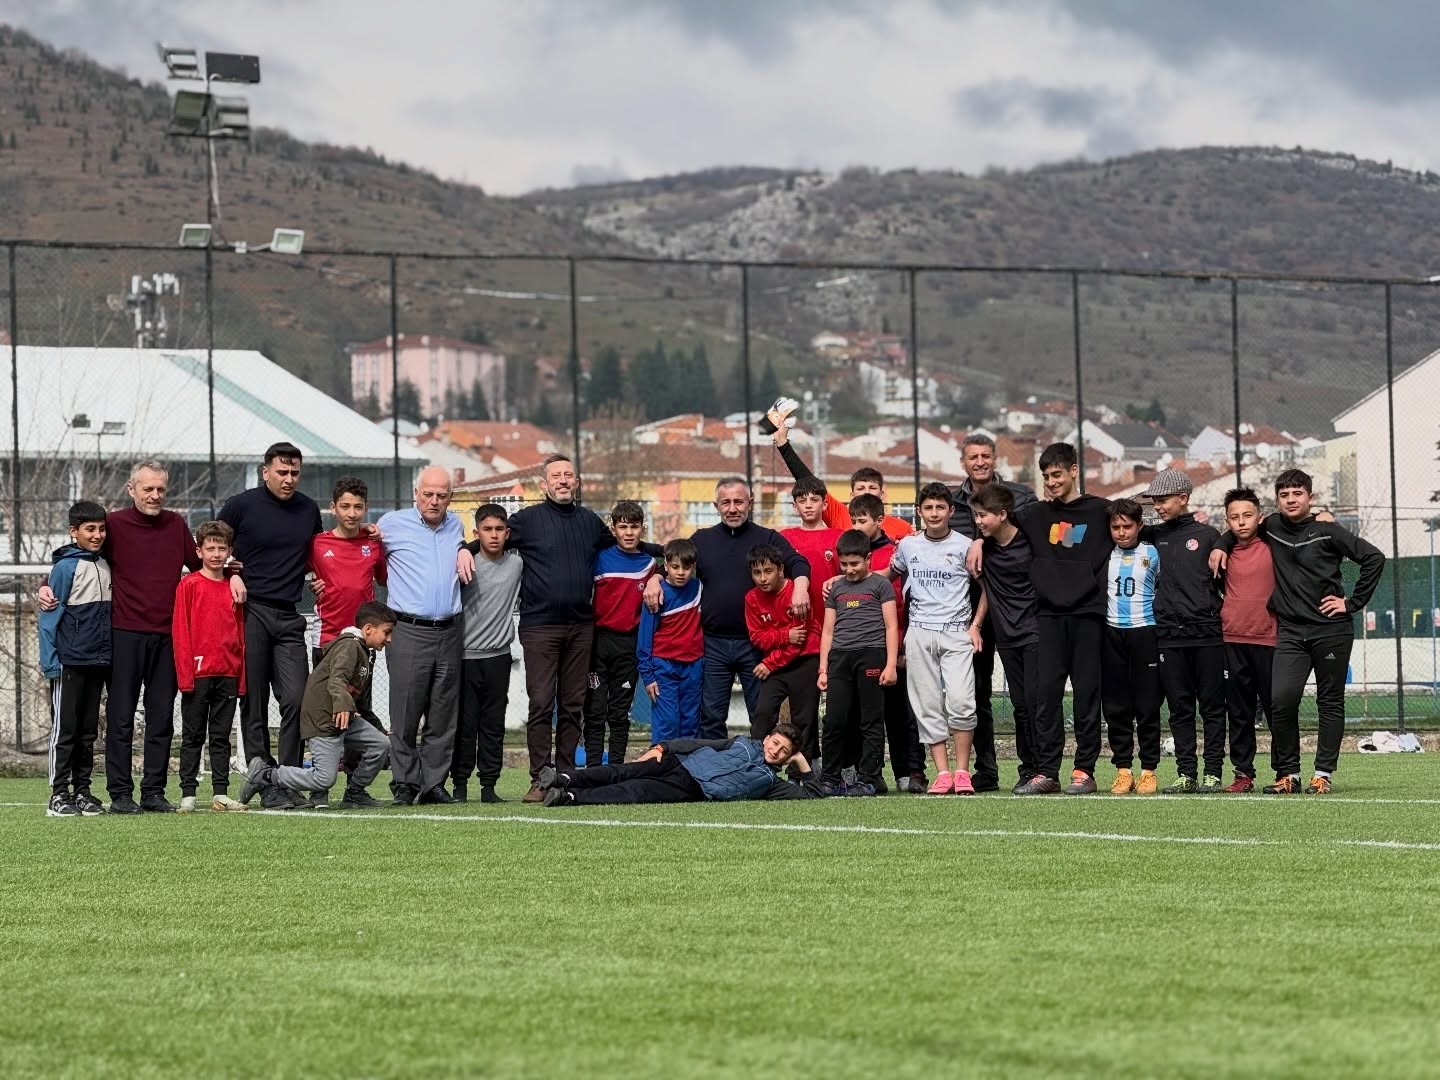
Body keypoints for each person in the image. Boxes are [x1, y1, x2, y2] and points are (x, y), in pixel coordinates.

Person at [38, 462, 202, 813]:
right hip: (123, 635)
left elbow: (203, 568)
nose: (155, 495)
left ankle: (154, 792)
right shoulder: (113, 525)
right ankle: (121, 794)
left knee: (160, 718)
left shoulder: (175, 525)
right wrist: (44, 587)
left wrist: (233, 575)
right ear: (132, 489)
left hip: (166, 636)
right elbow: (78, 557)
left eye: (160, 489)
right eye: (148, 489)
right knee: (121, 718)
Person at [1213, 469, 1385, 794]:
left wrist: (1353, 603)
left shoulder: (1328, 529)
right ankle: (1289, 775)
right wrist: (1221, 544)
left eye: (1297, 494)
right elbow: (1239, 529)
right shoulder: (1272, 527)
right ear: (1277, 500)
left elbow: (1374, 557)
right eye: (1284, 495)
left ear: (1310, 497)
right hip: (1291, 631)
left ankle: (1323, 774)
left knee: (1329, 702)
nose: (1291, 499)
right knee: (1281, 700)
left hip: (1330, 630)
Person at [506, 454, 662, 802]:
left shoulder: (590, 522)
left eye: (568, 475)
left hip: (581, 628)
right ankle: (539, 778)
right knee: (542, 703)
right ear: (543, 485)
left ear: (576, 483)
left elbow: (630, 545)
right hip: (540, 627)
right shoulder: (527, 521)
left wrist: (665, 565)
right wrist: (464, 551)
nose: (562, 480)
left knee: (574, 704)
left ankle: (567, 776)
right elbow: (493, 539)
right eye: (555, 476)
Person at [971, 443, 1113, 795]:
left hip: (1088, 615)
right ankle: (1047, 772)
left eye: (1057, 475)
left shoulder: (1101, 511)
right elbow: (995, 525)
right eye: (1046, 477)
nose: (1051, 483)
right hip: (1047, 616)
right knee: (1045, 697)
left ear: (1074, 471)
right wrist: (977, 541)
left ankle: (1084, 771)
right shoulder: (1033, 514)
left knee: (1085, 694)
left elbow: (1138, 529)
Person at [647, 477, 810, 741]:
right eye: (726, 502)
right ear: (716, 505)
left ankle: (761, 770)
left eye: (738, 501)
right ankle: (715, 774)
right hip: (712, 644)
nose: (732, 508)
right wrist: (654, 580)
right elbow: (673, 562)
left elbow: (797, 561)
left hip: (755, 644)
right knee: (710, 715)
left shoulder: (767, 538)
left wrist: (801, 586)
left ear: (751, 503)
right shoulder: (702, 539)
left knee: (761, 713)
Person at [219, 442, 323, 770]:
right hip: (250, 611)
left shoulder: (308, 509)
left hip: (290, 615)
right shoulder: (239, 506)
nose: (289, 478)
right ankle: (262, 776)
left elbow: (317, 554)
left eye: (295, 472)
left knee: (296, 698)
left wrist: (320, 578)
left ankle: (289, 775)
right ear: (266, 472)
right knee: (254, 700)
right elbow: (209, 548)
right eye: (282, 472)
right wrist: (228, 574)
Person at [376, 466, 473, 807]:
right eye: (428, 494)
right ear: (415, 493)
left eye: (441, 495)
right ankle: (404, 782)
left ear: (451, 497)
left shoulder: (455, 526)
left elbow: (462, 548)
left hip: (449, 630)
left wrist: (463, 547)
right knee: (405, 713)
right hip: (407, 630)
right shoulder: (390, 524)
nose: (434, 501)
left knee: (443, 715)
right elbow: (362, 554)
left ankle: (433, 784)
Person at [240, 602, 396, 812]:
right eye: (386, 632)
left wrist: (378, 728)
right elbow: (336, 679)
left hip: (344, 717)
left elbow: (359, 701)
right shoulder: (349, 646)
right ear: (368, 629)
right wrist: (341, 704)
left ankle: (355, 793)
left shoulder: (364, 651)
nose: (389, 639)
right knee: (324, 779)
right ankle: (266, 775)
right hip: (323, 719)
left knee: (381, 744)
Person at [948, 432, 1038, 793]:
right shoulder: (951, 502)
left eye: (986, 456)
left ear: (994, 459)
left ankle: (1031, 767)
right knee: (977, 694)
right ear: (964, 462)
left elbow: (1028, 538)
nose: (980, 462)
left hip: (1016, 608)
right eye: (974, 457)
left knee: (1025, 697)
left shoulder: (1022, 497)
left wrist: (983, 539)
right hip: (969, 612)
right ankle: (986, 770)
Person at [887, 482, 980, 795]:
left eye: (941, 507)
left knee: (962, 703)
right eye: (928, 508)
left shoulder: (966, 545)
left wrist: (975, 625)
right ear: (919, 511)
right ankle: (942, 773)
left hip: (956, 632)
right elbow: (887, 577)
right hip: (920, 632)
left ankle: (963, 771)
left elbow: (988, 589)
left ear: (951, 511)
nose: (935, 513)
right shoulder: (908, 546)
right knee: (927, 704)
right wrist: (842, 579)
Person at [1138, 469, 1226, 794]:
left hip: (1207, 635)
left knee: (1213, 707)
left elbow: (1222, 580)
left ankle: (1213, 773)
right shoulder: (1152, 537)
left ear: (1183, 498)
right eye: (1154, 501)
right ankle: (1186, 773)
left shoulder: (1208, 535)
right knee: (1179, 708)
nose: (1158, 507)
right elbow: (1120, 523)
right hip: (1169, 637)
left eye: (1163, 500)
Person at [37, 501, 112, 818]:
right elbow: (48, 620)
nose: (97, 535)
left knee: (87, 732)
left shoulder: (105, 565)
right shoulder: (65, 568)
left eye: (101, 529)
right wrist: (52, 663)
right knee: (64, 731)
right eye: (90, 529)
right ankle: (58, 794)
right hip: (68, 663)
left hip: (97, 662)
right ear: (74, 532)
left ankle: (82, 790)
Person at [968, 484, 1043, 793]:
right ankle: (1028, 770)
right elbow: (989, 590)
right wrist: (976, 624)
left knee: (1038, 703)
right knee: (1020, 705)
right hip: (1007, 637)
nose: (978, 521)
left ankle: (1045, 768)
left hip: (1036, 634)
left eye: (983, 516)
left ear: (1002, 514)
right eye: (975, 515)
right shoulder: (984, 550)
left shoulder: (1032, 542)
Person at [537, 724, 823, 805]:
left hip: (692, 789)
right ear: (768, 738)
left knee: (633, 791)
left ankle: (568, 797)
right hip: (677, 762)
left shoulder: (771, 783)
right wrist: (663, 747)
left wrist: (801, 761)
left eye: (784, 752)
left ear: (787, 759)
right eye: (775, 743)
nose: (776, 751)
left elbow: (812, 794)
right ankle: (563, 777)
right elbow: (700, 744)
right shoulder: (741, 742)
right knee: (623, 770)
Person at [850, 494, 926, 792]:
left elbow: (908, 596)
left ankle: (909, 772)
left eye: (862, 521)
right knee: (867, 714)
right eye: (853, 521)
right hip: (864, 645)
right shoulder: (848, 550)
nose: (856, 526)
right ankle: (869, 772)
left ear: (879, 520)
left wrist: (905, 643)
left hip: (899, 641)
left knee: (903, 712)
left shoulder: (899, 551)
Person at [171, 521, 248, 813]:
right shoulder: (188, 585)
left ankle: (220, 792)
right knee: (192, 735)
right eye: (210, 548)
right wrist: (185, 675)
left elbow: (239, 633)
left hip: (227, 672)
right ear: (199, 551)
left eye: (221, 548)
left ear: (229, 551)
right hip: (198, 674)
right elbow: (181, 631)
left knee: (220, 735)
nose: (216, 553)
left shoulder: (234, 586)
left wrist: (241, 676)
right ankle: (188, 793)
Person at [818, 529, 898, 796]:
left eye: (855, 563)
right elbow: (828, 631)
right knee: (834, 720)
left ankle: (870, 778)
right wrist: (823, 668)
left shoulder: (880, 585)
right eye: (844, 564)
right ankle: (830, 777)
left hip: (872, 655)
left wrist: (889, 664)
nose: (850, 569)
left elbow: (891, 626)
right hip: (840, 658)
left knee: (871, 721)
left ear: (869, 559)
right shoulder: (836, 588)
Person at [452, 503, 522, 804]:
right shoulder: (464, 562)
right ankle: (459, 785)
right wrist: (464, 548)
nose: (493, 536)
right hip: (465, 657)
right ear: (476, 532)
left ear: (507, 533)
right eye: (487, 529)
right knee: (465, 725)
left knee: (493, 724)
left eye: (499, 530)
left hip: (498, 656)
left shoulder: (518, 564)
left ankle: (489, 786)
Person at [584, 500, 654, 767]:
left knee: (619, 712)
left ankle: (614, 768)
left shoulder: (649, 565)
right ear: (613, 529)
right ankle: (592, 768)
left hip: (629, 645)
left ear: (642, 529)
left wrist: (657, 578)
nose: (628, 532)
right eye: (622, 527)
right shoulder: (599, 558)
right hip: (598, 643)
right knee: (595, 710)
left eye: (633, 527)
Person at [1100, 499, 1162, 796]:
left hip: (1145, 632)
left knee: (1147, 705)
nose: (1121, 532)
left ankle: (1149, 770)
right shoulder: (1103, 554)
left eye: (1127, 526)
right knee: (1116, 706)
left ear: (1139, 526)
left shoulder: (1152, 552)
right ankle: (1123, 769)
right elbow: (1061, 537)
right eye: (1116, 527)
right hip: (1112, 633)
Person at [1215, 487, 1275, 794]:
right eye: (1234, 517)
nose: (1241, 522)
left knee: (1276, 709)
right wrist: (1220, 542)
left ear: (1260, 518)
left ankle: (1285, 772)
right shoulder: (1220, 552)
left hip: (1270, 639)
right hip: (1232, 641)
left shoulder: (1275, 543)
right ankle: (1243, 774)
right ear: (1227, 521)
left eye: (1248, 516)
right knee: (1239, 712)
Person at [770, 418, 914, 539]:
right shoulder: (839, 515)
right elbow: (810, 483)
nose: (866, 492)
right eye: (861, 488)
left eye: (872, 488)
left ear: (882, 494)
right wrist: (783, 444)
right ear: (851, 495)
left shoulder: (902, 528)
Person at [743, 544, 819, 758]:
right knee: (763, 713)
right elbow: (757, 637)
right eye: (757, 573)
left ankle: (802, 773)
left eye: (768, 571)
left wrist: (770, 662)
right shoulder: (751, 598)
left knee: (804, 718)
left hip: (804, 660)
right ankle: (755, 763)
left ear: (781, 570)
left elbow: (800, 640)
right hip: (775, 666)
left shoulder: (797, 592)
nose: (762, 578)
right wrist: (785, 635)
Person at [308, 476, 387, 666]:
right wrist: (310, 585)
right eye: (345, 506)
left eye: (358, 507)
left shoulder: (374, 543)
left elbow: (384, 579)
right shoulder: (317, 544)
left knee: (360, 696)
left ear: (366, 508)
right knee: (325, 696)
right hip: (327, 638)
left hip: (363, 637)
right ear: (333, 507)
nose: (352, 513)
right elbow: (290, 573)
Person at [638, 539, 705, 743]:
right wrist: (648, 676)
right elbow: (645, 636)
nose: (680, 572)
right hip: (663, 666)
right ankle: (660, 770)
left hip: (694, 666)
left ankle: (687, 771)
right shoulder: (655, 594)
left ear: (693, 567)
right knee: (667, 722)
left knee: (690, 723)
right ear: (665, 566)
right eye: (675, 567)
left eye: (686, 567)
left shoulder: (699, 588)